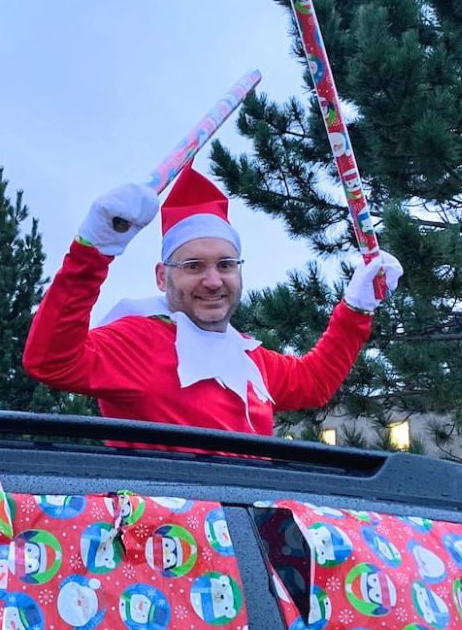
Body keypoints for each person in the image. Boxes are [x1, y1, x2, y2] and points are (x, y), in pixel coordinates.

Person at [23, 166, 401, 440]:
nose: (213, 281)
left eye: (225, 265)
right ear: (161, 276)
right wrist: (94, 250)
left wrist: (357, 306)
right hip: (166, 541)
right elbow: (51, 361)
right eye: (193, 266)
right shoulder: (136, 340)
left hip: (249, 542)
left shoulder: (249, 357)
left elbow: (313, 384)